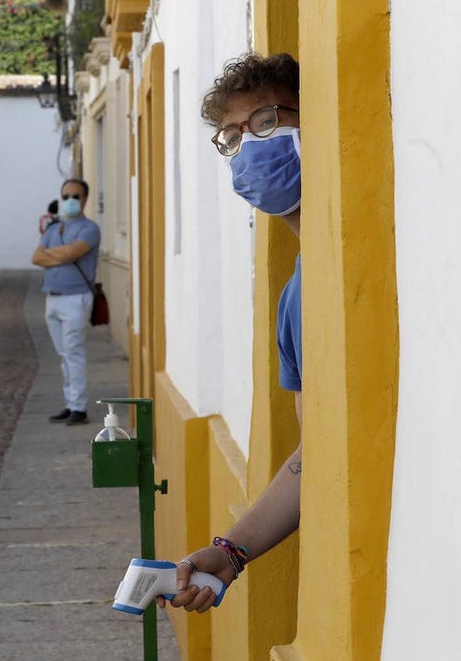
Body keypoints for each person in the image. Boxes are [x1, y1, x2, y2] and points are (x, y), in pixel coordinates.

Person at [159, 53, 303, 613]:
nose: (248, 145)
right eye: (231, 136)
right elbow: (314, 456)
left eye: (265, 122)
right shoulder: (293, 296)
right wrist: (231, 553)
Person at [31, 178, 101, 426]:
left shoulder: (89, 229)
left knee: (74, 351)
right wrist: (60, 256)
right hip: (53, 296)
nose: (70, 200)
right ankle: (70, 402)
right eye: (66, 196)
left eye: (75, 196)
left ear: (84, 199)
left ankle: (79, 407)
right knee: (64, 354)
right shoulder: (53, 229)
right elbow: (36, 257)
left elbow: (74, 253)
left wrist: (56, 254)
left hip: (76, 297)